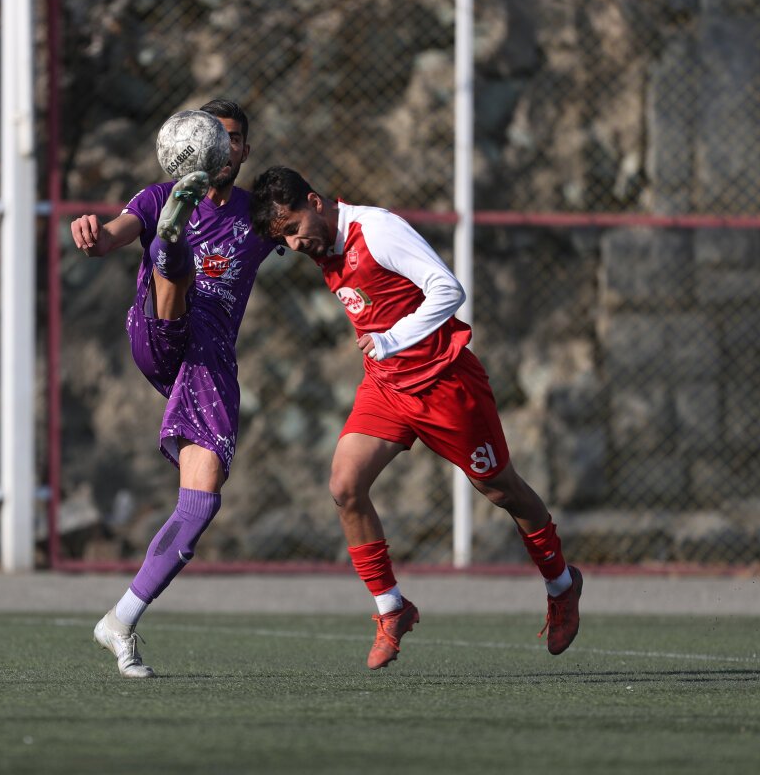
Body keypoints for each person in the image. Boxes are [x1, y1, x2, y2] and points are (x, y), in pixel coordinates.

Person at [248, 165, 582, 668]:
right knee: (345, 485)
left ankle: (561, 584)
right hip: (386, 387)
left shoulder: (378, 231)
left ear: (314, 202)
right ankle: (392, 608)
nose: (295, 245)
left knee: (501, 489)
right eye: (284, 240)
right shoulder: (322, 245)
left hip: (444, 383)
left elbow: (448, 290)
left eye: (294, 229)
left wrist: (392, 339)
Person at [70, 100, 279, 677]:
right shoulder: (156, 195)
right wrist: (92, 235)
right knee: (170, 262)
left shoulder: (258, 216)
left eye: (234, 139)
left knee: (201, 501)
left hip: (207, 360)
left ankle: (121, 620)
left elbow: (317, 231)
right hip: (157, 329)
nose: (224, 148)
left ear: (245, 150)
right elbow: (107, 238)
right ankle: (171, 241)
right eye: (215, 136)